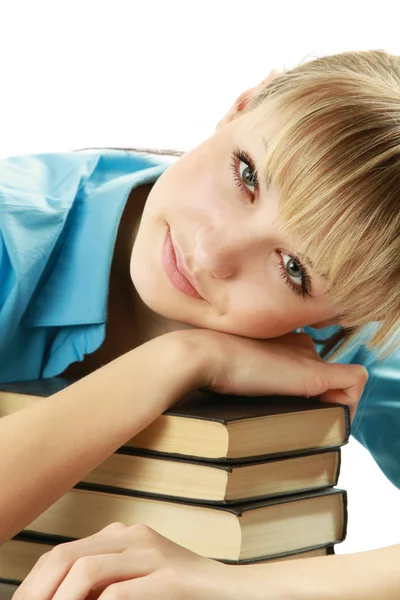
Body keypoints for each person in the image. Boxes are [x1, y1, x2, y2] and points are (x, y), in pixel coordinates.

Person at [1, 48, 399, 598]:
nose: (210, 253)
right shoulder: (9, 227)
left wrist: (247, 589)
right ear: (242, 106)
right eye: (246, 175)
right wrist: (180, 359)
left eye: (292, 269)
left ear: (351, 315)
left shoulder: (348, 334)